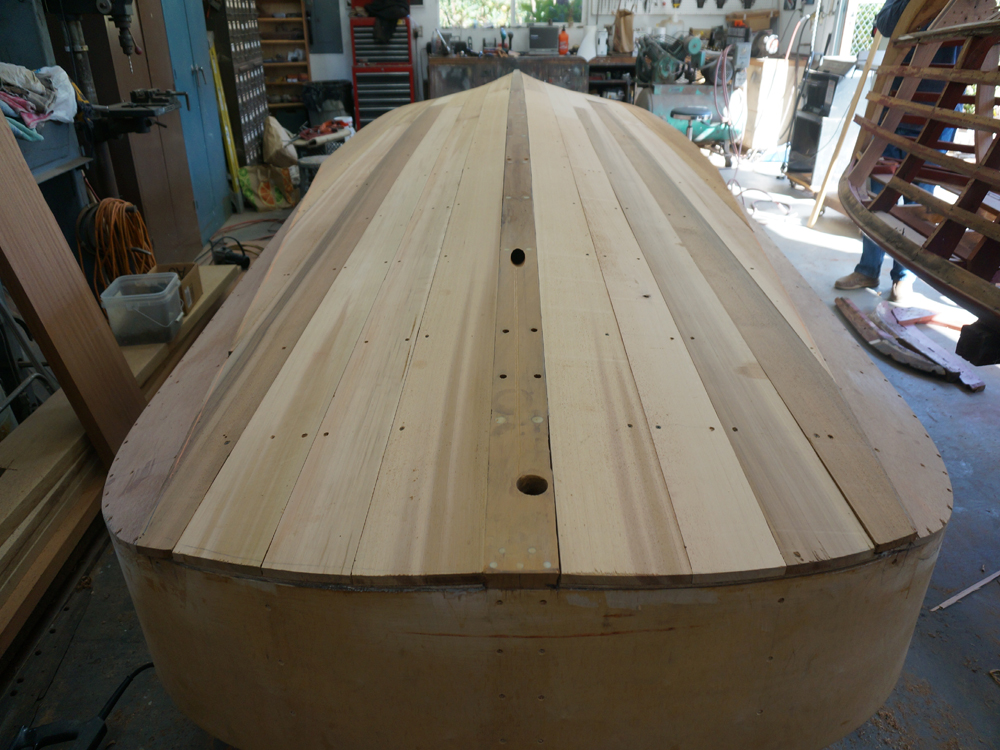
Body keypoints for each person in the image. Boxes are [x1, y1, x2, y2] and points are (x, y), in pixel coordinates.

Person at [834, 0, 957, 301]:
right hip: (896, 108)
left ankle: (903, 277)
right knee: (877, 194)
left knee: (918, 202)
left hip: (937, 114)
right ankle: (868, 269)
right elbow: (886, 23)